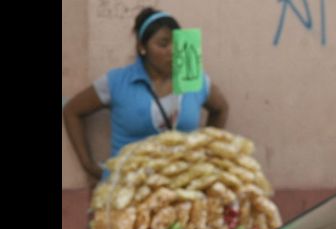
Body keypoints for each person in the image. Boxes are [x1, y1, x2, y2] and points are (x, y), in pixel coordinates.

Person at [63, 7, 229, 184]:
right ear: (142, 47)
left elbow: (220, 108)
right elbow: (72, 110)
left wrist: (207, 151)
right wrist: (88, 164)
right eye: (163, 44)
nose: (173, 51)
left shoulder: (195, 80)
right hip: (126, 190)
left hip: (180, 192)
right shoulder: (118, 82)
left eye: (176, 43)